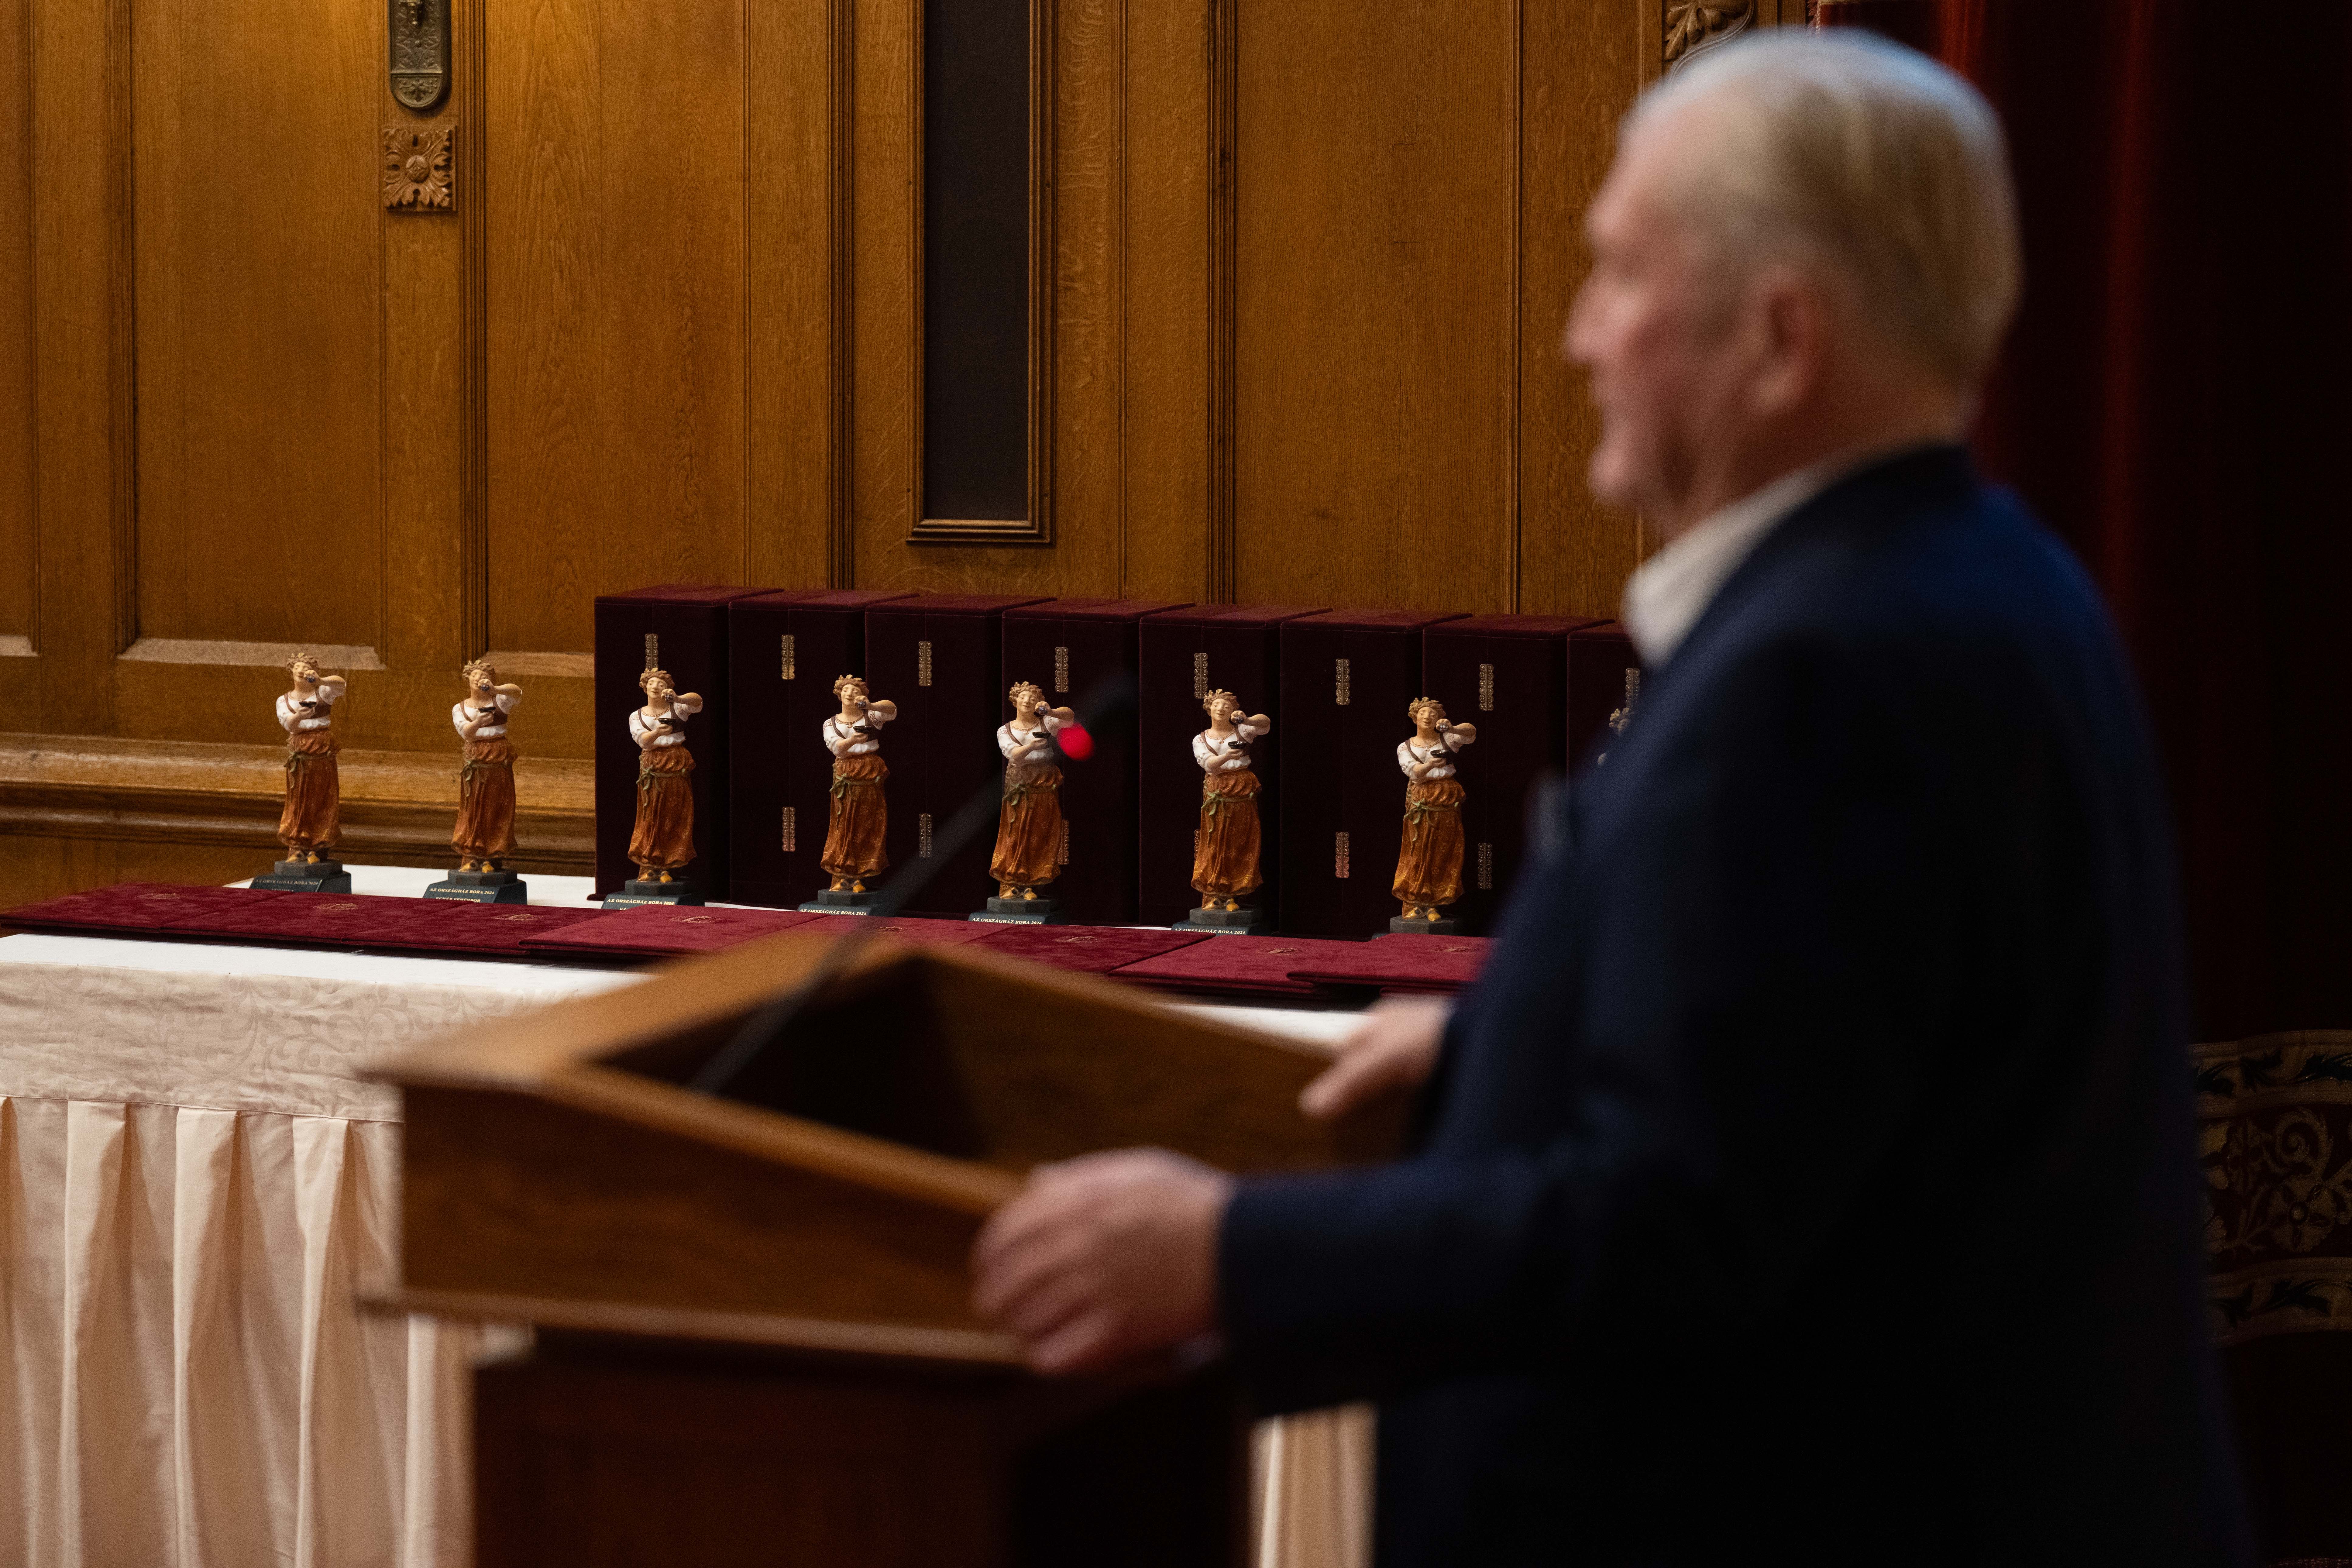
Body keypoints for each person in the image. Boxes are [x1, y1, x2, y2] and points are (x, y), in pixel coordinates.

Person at [969, 30, 2251, 1565]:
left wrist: (1227, 1254)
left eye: (1623, 274)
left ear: (1780, 339)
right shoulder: (1983, 576)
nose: (1579, 335)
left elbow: (1676, 1232)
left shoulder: (1823, 672)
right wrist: (1495, 1046)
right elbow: (1844, 1077)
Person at [451, 658, 523, 872]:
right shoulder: (460, 708)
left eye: (484, 676)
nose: (479, 679)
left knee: (495, 807)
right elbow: (466, 733)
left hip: (497, 758)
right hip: (476, 761)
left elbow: (517, 692)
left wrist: (496, 689)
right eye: (475, 676)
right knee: (473, 809)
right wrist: (478, 723)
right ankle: (471, 855)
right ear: (468, 680)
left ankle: (492, 858)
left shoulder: (501, 701)